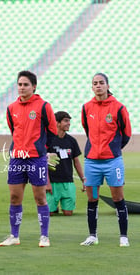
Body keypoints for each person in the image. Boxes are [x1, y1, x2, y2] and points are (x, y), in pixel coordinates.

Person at [0, 70, 57, 247]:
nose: (22, 88)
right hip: (17, 158)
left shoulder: (43, 106)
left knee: (40, 197)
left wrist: (44, 150)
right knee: (15, 197)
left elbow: (53, 132)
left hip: (36, 158)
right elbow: (13, 131)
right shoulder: (11, 109)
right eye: (19, 84)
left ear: (34, 86)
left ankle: (44, 236)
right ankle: (14, 236)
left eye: (26, 84)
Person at [80, 73, 131, 247]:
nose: (98, 86)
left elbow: (126, 134)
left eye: (101, 83)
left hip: (112, 162)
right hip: (92, 163)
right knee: (92, 198)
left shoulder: (119, 108)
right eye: (95, 83)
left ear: (108, 86)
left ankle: (123, 236)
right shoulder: (87, 108)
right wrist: (96, 149)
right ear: (92, 87)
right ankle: (92, 236)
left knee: (118, 198)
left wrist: (113, 149)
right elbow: (88, 130)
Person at [46, 111, 86, 216]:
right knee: (49, 213)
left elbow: (76, 161)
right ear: (57, 123)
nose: (69, 123)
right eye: (66, 121)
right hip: (52, 182)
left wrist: (83, 180)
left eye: (69, 121)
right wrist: (47, 182)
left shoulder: (71, 141)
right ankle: (54, 207)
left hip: (68, 182)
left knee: (68, 213)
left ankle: (58, 206)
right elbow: (42, 163)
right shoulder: (48, 140)